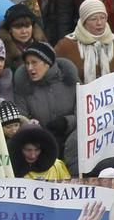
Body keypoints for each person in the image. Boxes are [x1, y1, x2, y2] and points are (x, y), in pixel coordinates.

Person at [12, 41, 78, 173]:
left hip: (73, 141)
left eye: (34, 62)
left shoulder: (70, 81)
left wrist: (67, 122)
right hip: (41, 147)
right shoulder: (23, 86)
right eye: (27, 63)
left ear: (47, 63)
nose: (30, 68)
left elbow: (85, 114)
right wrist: (38, 131)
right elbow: (21, 119)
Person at [54, 0, 114, 84]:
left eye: (103, 17)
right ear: (84, 21)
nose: (99, 23)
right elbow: (55, 76)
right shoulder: (66, 45)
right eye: (93, 19)